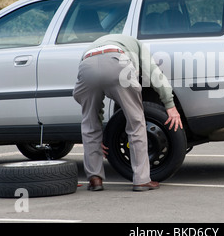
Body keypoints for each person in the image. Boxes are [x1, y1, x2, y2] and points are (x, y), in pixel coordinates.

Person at [73, 34, 183, 192]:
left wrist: (98, 136)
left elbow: (81, 96)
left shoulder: (93, 46)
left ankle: (95, 178)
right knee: (136, 123)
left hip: (87, 65)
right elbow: (153, 74)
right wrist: (170, 105)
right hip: (118, 62)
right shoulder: (137, 45)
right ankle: (141, 180)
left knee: (90, 125)